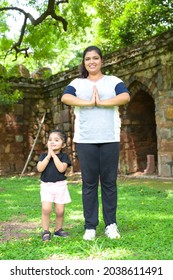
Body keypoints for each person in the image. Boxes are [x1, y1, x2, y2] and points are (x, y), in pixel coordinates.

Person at [61, 46, 130, 240]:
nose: (92, 61)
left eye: (95, 58)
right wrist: (89, 103)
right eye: (88, 59)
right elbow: (65, 97)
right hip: (85, 140)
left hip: (109, 139)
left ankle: (111, 225)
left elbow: (125, 96)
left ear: (101, 61)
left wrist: (102, 103)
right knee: (89, 184)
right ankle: (90, 226)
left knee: (109, 183)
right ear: (84, 62)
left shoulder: (113, 81)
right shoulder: (77, 83)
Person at [37, 129, 71, 241]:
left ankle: (58, 230)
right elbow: (40, 168)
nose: (52, 142)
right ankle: (46, 231)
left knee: (60, 211)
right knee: (46, 209)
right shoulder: (43, 155)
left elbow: (61, 169)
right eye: (50, 140)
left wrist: (54, 155)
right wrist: (48, 156)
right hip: (46, 186)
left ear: (63, 144)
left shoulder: (64, 157)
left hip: (60, 186)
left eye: (56, 140)